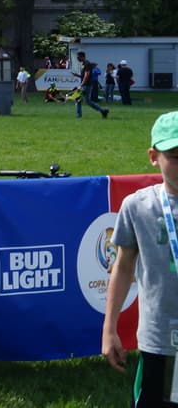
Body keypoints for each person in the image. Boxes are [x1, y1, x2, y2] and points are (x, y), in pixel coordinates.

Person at [102, 111, 178, 406]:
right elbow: (122, 269)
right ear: (153, 156)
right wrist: (110, 330)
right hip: (158, 339)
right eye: (175, 155)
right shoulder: (138, 207)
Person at [75, 51, 109, 119]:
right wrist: (77, 75)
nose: (77, 58)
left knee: (84, 100)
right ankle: (103, 111)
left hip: (86, 85)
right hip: (85, 84)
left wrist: (81, 85)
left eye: (78, 57)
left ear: (82, 56)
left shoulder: (87, 64)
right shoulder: (83, 64)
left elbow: (87, 75)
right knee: (82, 100)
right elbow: (84, 75)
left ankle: (79, 115)